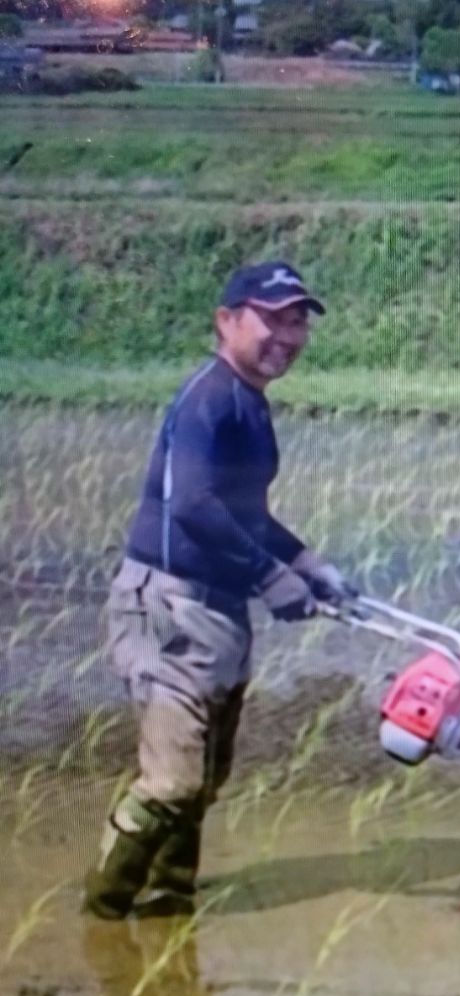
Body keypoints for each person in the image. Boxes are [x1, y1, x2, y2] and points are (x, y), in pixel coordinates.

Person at [82, 260, 359, 920]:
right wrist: (272, 578)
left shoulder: (249, 402)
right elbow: (195, 506)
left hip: (218, 611)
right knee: (173, 780)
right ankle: (102, 910)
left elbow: (245, 512)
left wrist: (309, 563)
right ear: (227, 320)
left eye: (297, 322)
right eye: (272, 318)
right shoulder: (208, 398)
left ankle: (169, 900)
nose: (286, 336)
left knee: (203, 780)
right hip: (168, 605)